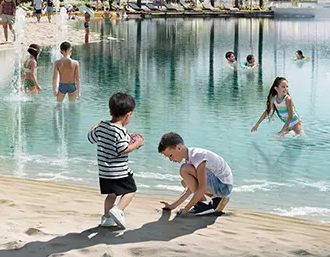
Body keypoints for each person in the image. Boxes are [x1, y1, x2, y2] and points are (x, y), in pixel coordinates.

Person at [88, 93, 144, 228]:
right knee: (131, 190)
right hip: (119, 171)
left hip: (104, 172)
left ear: (110, 111)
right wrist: (136, 145)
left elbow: (91, 138)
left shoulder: (102, 127)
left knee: (111, 195)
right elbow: (122, 149)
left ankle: (107, 219)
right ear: (128, 115)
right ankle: (118, 210)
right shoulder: (121, 131)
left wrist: (95, 127)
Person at [157, 132, 234, 216]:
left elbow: (202, 187)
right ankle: (216, 199)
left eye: (170, 155)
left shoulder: (197, 157)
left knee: (184, 170)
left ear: (179, 148)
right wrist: (172, 206)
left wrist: (187, 208)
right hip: (221, 185)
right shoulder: (190, 158)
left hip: (223, 186)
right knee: (185, 182)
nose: (170, 159)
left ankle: (202, 205)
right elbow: (189, 189)